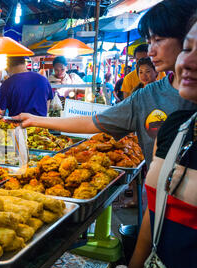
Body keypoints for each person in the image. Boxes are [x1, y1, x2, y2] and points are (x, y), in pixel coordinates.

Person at [13, 0, 197, 168]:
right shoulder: (147, 96)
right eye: (149, 42)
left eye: (158, 40)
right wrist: (36, 120)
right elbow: (93, 122)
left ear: (188, 37)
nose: (150, 51)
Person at [128, 14, 197, 268]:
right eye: (189, 49)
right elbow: (155, 211)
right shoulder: (177, 128)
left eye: (160, 40)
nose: (187, 63)